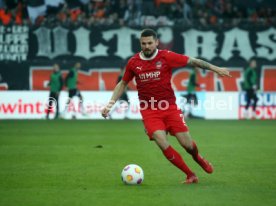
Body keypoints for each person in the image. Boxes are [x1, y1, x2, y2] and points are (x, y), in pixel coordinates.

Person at [101, 29, 231, 184]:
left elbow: (193, 61)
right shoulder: (133, 62)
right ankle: (190, 175)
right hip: (149, 110)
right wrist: (110, 104)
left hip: (169, 108)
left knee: (187, 145)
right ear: (140, 44)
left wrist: (216, 69)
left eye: (150, 43)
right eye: (144, 43)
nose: (147, 46)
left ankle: (198, 158)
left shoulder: (166, 56)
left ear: (156, 42)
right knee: (160, 140)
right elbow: (123, 83)